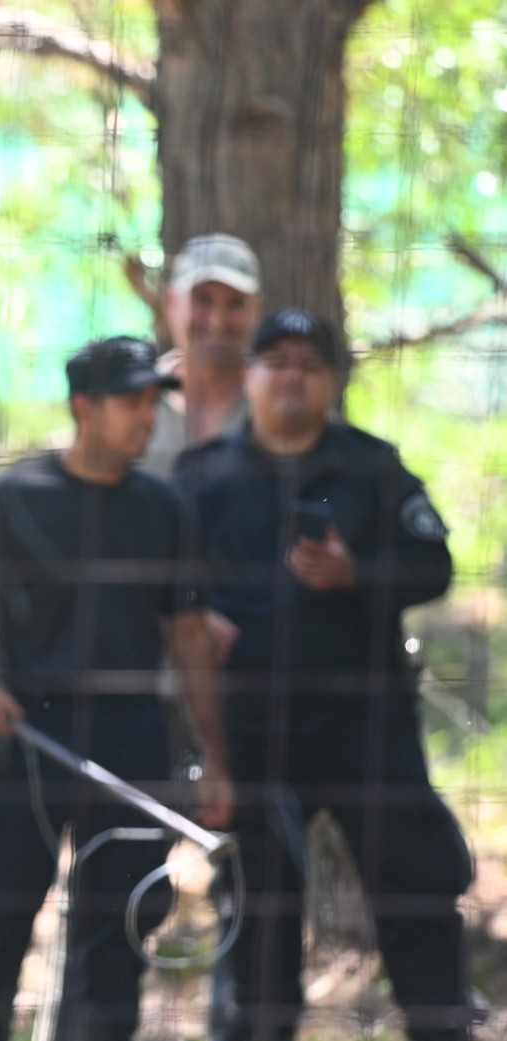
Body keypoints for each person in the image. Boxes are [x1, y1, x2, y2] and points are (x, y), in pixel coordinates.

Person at [0, 335, 232, 1041]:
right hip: (26, 736)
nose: (145, 416)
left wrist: (213, 754)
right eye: (129, 400)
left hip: (132, 744)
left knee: (114, 943)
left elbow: (186, 639)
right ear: (81, 405)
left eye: (153, 400)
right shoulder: (9, 497)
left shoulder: (165, 507)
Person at [174, 307, 473, 1041]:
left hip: (366, 728)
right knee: (258, 917)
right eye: (275, 361)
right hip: (250, 733)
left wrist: (355, 573)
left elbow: (433, 567)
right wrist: (192, 616)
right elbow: (157, 584)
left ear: (332, 382)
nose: (291, 377)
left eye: (309, 364)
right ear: (249, 374)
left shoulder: (373, 464)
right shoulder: (201, 475)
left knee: (415, 896)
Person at [139, 232, 263, 478]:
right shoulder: (134, 399)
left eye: (235, 303)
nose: (217, 322)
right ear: (171, 302)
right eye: (203, 301)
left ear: (256, 310)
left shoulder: (284, 401)